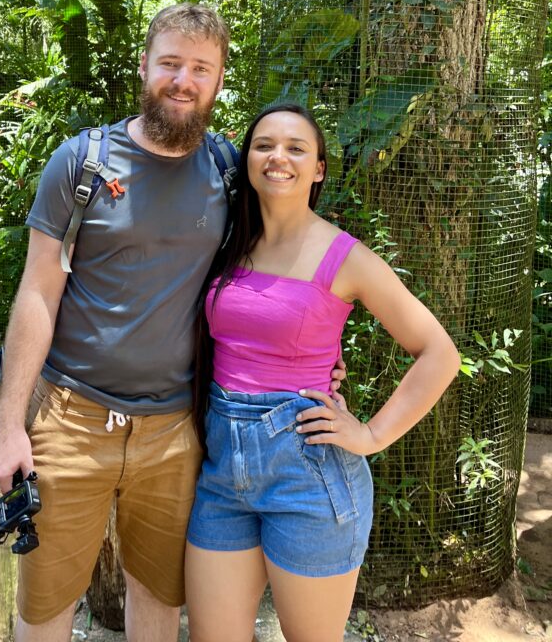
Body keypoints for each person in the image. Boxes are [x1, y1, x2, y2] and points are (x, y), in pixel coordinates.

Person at [0, 4, 346, 642]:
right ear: (146, 68)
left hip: (178, 430)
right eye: (171, 63)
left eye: (200, 68)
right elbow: (37, 293)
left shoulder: (230, 172)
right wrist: (8, 425)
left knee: (159, 597)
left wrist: (317, 359)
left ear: (218, 81)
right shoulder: (82, 163)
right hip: (71, 420)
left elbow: (276, 271)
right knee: (43, 605)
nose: (184, 80)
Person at [185, 103, 461, 642]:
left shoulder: (345, 256)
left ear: (318, 169)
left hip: (308, 475)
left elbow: (439, 353)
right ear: (247, 160)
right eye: (263, 145)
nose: (277, 157)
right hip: (222, 471)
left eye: (296, 148)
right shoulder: (226, 241)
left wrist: (372, 434)